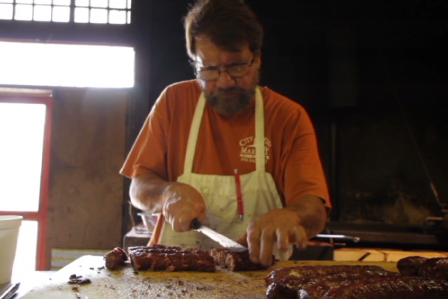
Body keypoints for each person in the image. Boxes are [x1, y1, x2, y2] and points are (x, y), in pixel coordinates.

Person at [120, 0, 331, 266]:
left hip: (260, 282)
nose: (224, 81)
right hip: (172, 277)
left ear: (257, 58)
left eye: (236, 66)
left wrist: (293, 217)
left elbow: (313, 209)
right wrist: (167, 194)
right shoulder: (174, 102)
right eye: (208, 69)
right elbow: (138, 187)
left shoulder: (288, 116)